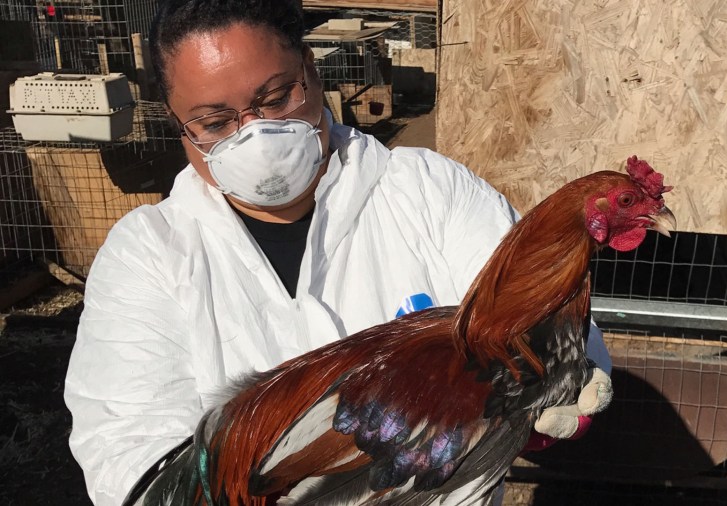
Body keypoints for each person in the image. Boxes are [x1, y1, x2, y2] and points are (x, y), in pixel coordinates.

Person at [63, 1, 612, 505]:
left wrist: (546, 397)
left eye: (276, 96)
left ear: (311, 69)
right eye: (214, 122)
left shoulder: (427, 189)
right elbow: (126, 438)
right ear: (175, 121)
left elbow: (540, 319)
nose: (255, 133)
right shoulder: (146, 253)